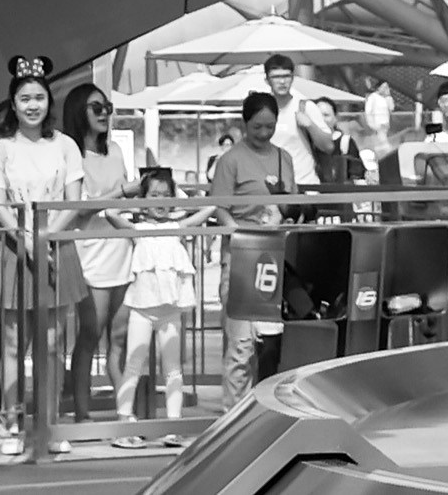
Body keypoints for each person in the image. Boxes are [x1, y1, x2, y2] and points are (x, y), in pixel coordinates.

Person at [0, 63, 87, 452]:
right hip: (15, 249)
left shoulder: (65, 145)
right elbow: (0, 207)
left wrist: (46, 235)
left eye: (39, 98)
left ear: (50, 101)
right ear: (13, 103)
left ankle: (48, 423)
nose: (33, 105)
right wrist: (27, 241)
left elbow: (73, 200)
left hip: (58, 245)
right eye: (25, 98)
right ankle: (11, 422)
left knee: (53, 338)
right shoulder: (2, 147)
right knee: (13, 339)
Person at [205, 93, 294, 408]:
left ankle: (267, 409)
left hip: (274, 253)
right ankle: (234, 411)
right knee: (241, 344)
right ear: (245, 124)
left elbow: (290, 203)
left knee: (271, 343)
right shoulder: (230, 160)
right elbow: (219, 208)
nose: (264, 133)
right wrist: (241, 234)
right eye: (258, 127)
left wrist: (283, 215)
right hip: (241, 254)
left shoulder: (284, 158)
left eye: (270, 126)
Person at [60, 85, 134, 426]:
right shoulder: (72, 155)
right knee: (91, 332)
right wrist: (122, 193)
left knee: (120, 337)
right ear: (80, 112)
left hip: (121, 249)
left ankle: (125, 411)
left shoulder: (116, 150)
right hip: (91, 253)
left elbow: (123, 203)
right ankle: (82, 412)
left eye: (107, 106)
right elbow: (81, 209)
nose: (104, 113)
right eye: (95, 107)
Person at [114, 168, 197, 444]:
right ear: (143, 197)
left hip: (170, 309)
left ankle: (174, 424)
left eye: (165, 195)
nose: (159, 200)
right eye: (153, 195)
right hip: (141, 308)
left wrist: (178, 199)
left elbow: (207, 208)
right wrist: (136, 194)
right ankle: (124, 421)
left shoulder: (176, 227)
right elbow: (111, 214)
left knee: (173, 367)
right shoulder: (139, 228)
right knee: (133, 364)